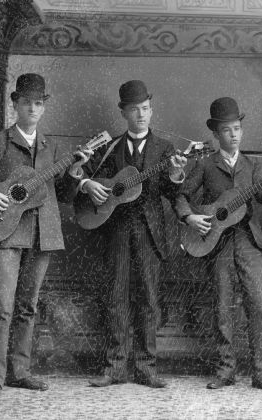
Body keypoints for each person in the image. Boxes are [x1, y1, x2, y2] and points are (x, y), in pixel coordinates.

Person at [0, 73, 91, 399]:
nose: (32, 109)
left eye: (38, 103)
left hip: (43, 234)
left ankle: (20, 371)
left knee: (28, 307)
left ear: (44, 107)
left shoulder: (51, 147)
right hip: (5, 233)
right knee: (2, 307)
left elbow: (66, 196)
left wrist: (75, 172)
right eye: (26, 102)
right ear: (15, 104)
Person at [78, 80, 187, 388]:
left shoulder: (165, 150)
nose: (141, 115)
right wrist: (90, 185)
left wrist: (177, 173)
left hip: (150, 231)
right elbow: (85, 176)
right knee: (116, 296)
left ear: (151, 111)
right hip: (116, 229)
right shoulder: (110, 147)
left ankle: (146, 367)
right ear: (123, 112)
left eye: (146, 109)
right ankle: (114, 367)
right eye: (134, 110)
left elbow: (169, 190)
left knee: (149, 299)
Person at [174, 97, 262, 392]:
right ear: (216, 134)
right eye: (227, 130)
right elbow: (181, 195)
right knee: (222, 307)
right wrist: (189, 218)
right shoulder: (205, 165)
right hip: (218, 242)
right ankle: (225, 371)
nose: (234, 135)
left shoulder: (252, 166)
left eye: (237, 128)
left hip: (248, 240)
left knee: (259, 306)